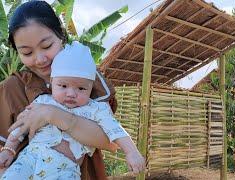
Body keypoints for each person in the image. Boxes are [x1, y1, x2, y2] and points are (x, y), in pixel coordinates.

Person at [0, 1, 143, 179]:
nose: (40, 59)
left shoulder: (89, 79)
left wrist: (52, 114)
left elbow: (109, 142)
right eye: (27, 53)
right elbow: (7, 143)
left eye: (46, 46)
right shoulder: (11, 89)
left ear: (61, 36)